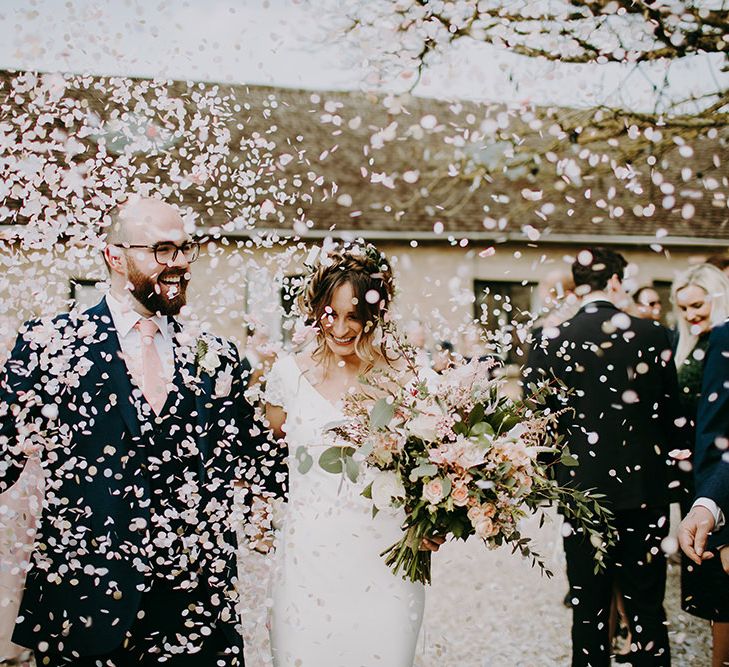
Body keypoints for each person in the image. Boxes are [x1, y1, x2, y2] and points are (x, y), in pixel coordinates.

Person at [0, 196, 273, 665]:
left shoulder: (217, 355)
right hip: (86, 604)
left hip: (194, 613)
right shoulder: (50, 346)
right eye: (162, 250)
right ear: (115, 255)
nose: (180, 264)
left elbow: (256, 464)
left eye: (186, 249)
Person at [264, 242, 438, 667]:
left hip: (386, 558)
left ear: (375, 315)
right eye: (331, 314)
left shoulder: (407, 377)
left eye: (354, 316)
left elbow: (440, 456)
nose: (341, 329)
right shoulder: (288, 375)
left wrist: (437, 519)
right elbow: (268, 459)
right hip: (308, 558)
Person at [526, 247, 687, 667]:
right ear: (617, 283)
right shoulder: (653, 335)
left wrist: (554, 480)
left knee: (589, 610)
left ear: (578, 286)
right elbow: (673, 418)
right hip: (645, 493)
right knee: (647, 609)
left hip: (581, 496)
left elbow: (537, 427)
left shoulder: (549, 340)